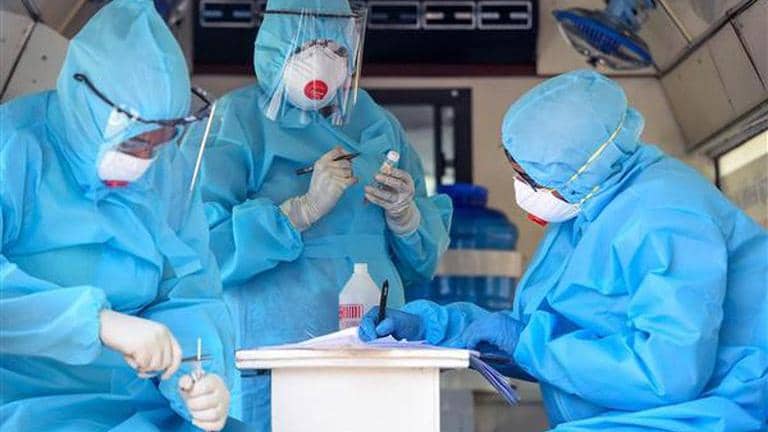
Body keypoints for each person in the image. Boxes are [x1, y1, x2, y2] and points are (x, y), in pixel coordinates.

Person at [359, 70, 768, 431]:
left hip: (709, 415)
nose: (522, 188)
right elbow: (546, 334)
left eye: (529, 177)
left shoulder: (665, 217)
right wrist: (433, 329)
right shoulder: (589, 204)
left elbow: (666, 374)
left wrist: (524, 341)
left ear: (577, 168)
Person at [183, 0, 452, 426]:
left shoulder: (376, 123)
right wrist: (297, 213)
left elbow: (421, 264)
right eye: (306, 46)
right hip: (270, 348)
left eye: (337, 49)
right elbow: (200, 246)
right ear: (274, 45)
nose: (323, 62)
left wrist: (406, 219)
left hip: (374, 348)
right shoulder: (235, 122)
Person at [0, 1, 235, 430]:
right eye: (133, 141)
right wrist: (94, 323)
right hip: (23, 401)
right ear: (87, 101)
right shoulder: (15, 148)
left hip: (138, 406)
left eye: (159, 140)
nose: (144, 160)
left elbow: (187, 288)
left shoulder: (165, 174)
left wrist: (199, 378)